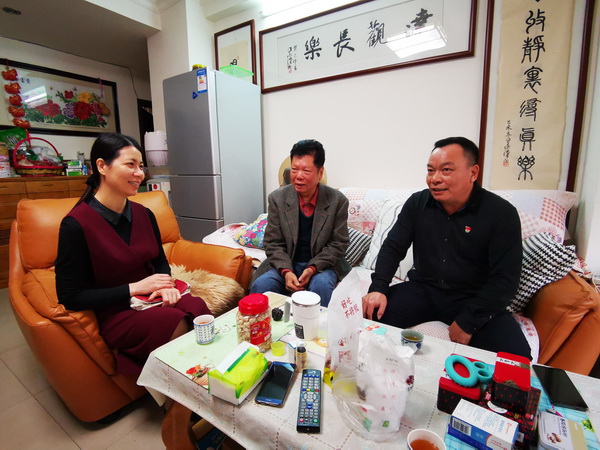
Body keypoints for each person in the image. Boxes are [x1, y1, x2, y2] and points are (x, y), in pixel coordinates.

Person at [55, 133, 211, 375]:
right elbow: (70, 296)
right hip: (117, 310)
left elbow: (159, 261)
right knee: (171, 322)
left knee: (196, 305)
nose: (139, 173)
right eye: (131, 165)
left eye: (141, 166)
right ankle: (183, 390)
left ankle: (209, 374)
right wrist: (135, 288)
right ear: (102, 166)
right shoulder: (76, 225)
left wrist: (166, 284)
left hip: (152, 298)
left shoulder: (143, 214)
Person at [362, 137, 531, 359]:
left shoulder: (501, 214)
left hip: (473, 298)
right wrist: (378, 288)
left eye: (446, 170)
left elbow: (505, 280)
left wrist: (469, 321)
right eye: (430, 170)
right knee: (368, 319)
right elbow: (393, 247)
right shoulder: (418, 203)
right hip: (424, 289)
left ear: (473, 172)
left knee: (517, 357)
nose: (435, 179)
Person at [250, 139, 349, 307]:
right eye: (294, 169)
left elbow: (338, 244)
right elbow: (272, 242)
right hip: (287, 262)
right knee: (262, 285)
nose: (298, 176)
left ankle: (319, 325)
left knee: (321, 286)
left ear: (320, 173)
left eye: (306, 170)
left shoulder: (337, 201)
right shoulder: (278, 199)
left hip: (323, 265)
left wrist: (312, 269)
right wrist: (286, 271)